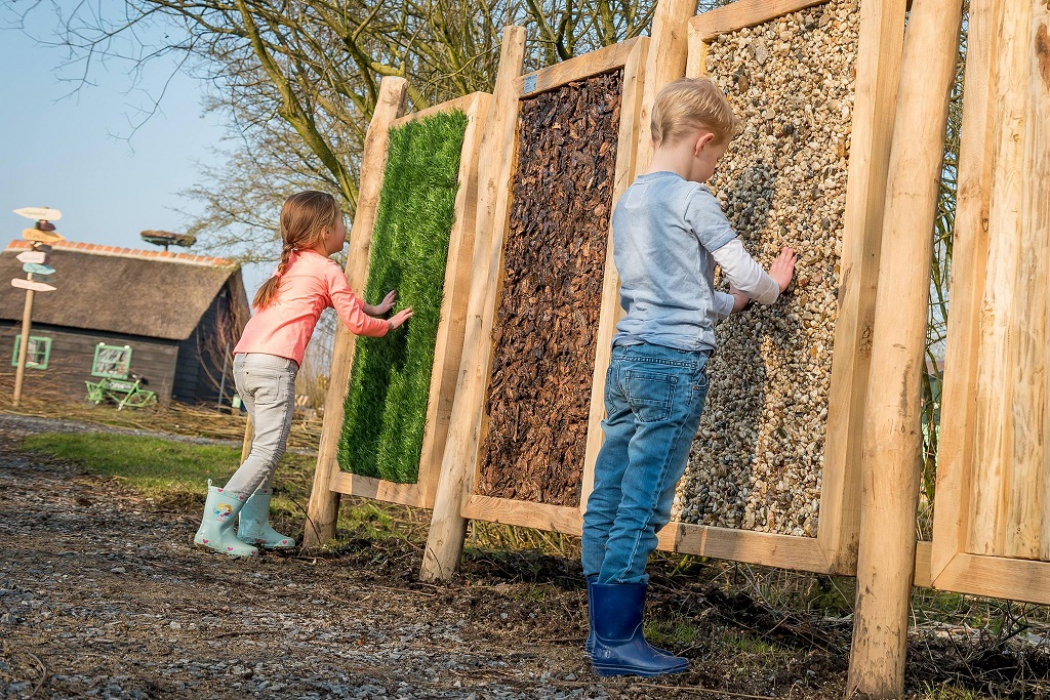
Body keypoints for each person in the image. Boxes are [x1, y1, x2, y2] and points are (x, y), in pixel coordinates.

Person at [580, 78, 797, 677]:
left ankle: (601, 634)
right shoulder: (690, 198)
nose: (713, 168)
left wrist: (733, 305)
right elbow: (744, 272)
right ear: (703, 143)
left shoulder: (629, 201)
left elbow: (681, 291)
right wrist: (772, 287)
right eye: (717, 156)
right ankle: (619, 642)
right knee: (644, 504)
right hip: (674, 367)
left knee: (609, 490)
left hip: (628, 359)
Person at [194, 191, 413, 558]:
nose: (346, 229)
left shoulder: (292, 263)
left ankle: (254, 525)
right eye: (343, 223)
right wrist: (387, 324)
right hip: (274, 365)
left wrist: (374, 306)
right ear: (326, 232)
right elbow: (355, 323)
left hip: (246, 362)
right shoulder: (328, 268)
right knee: (267, 450)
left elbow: (340, 300)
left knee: (266, 449)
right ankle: (214, 527)